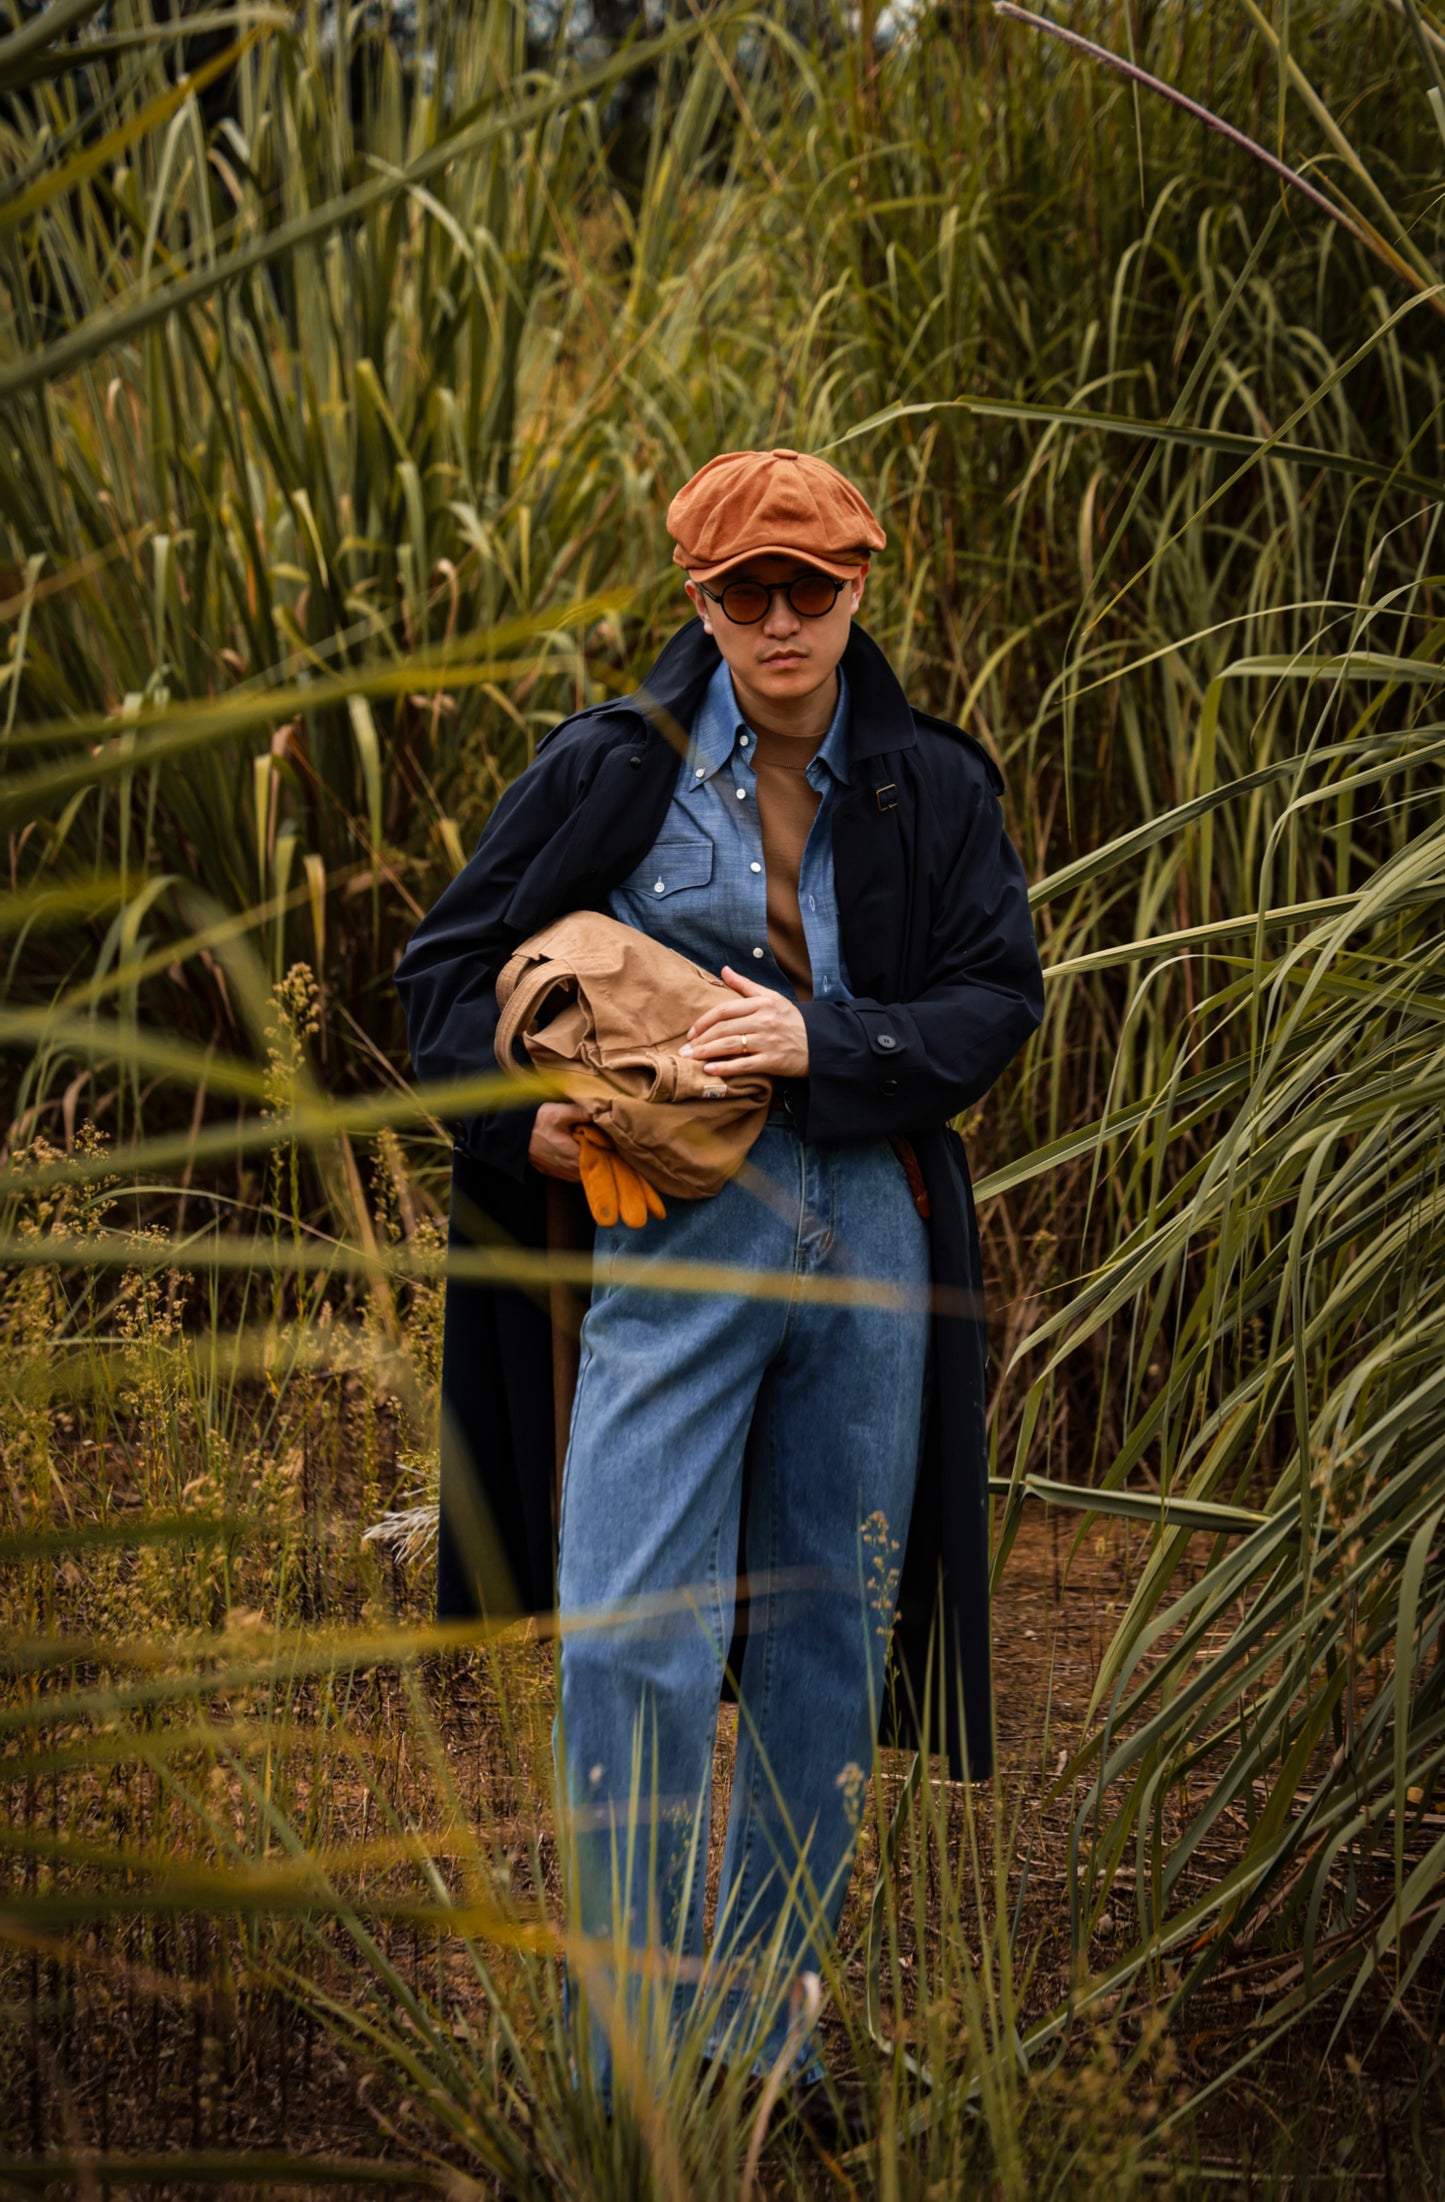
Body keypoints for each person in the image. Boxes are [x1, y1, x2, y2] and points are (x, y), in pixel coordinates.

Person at [394, 447, 1044, 2094]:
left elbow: (995, 997)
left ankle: (762, 2050)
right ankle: (621, 2065)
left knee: (829, 1632)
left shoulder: (931, 786)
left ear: (857, 589)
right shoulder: (611, 768)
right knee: (630, 1632)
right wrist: (521, 1120)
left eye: (807, 588)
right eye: (742, 591)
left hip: (874, 1225)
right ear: (696, 598)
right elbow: (439, 982)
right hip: (673, 1225)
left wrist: (830, 1035)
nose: (777, 619)